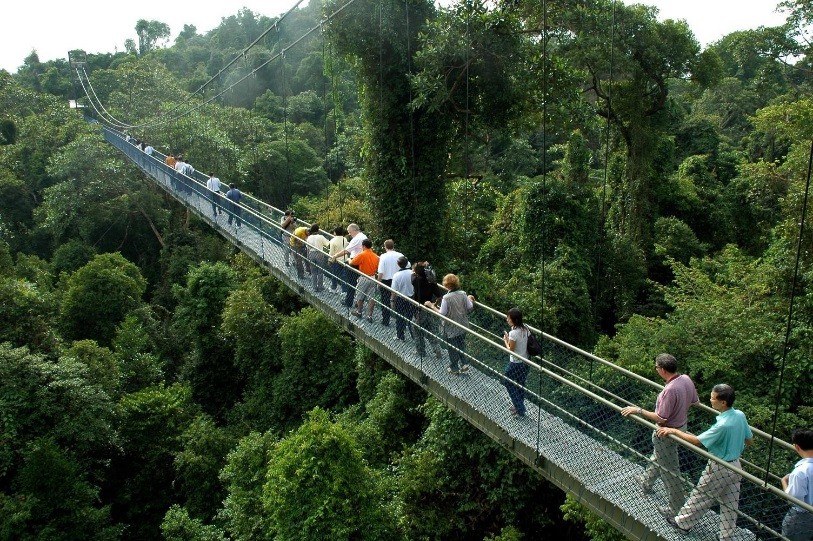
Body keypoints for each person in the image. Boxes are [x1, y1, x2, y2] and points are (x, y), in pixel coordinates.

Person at [657, 384, 753, 541]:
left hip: (719, 465)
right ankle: (725, 536)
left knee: (701, 494)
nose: (710, 400)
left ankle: (682, 523)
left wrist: (674, 430)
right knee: (730, 503)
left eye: (713, 398)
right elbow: (749, 440)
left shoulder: (722, 425)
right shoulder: (740, 415)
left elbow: (696, 441)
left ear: (723, 403)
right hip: (736, 466)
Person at [620, 353, 699, 514]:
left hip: (666, 433)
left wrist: (638, 410)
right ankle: (646, 481)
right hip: (681, 427)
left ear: (662, 370)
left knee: (670, 471)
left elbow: (660, 417)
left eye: (656, 367)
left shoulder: (669, 390)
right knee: (659, 456)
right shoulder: (685, 379)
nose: (656, 369)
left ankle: (676, 508)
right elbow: (695, 402)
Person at [425, 273, 475, 375]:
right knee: (461, 344)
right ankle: (464, 363)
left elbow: (442, 314)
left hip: (451, 327)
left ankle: (454, 368)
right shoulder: (463, 293)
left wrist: (431, 306)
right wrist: (469, 298)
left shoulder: (446, 298)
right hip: (462, 324)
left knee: (452, 348)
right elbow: (470, 307)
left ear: (446, 285)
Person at [781, 428, 813, 541]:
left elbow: (793, 500)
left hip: (801, 518)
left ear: (797, 447)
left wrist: (784, 482)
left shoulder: (800, 472)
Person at [330, 223, 367, 308]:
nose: (349, 234)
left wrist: (335, 256)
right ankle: (357, 302)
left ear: (354, 230)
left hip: (355, 263)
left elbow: (347, 250)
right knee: (358, 284)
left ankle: (349, 302)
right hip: (361, 262)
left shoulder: (357, 238)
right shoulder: (363, 236)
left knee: (351, 283)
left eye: (349, 232)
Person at [502, 307, 530, 417]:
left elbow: (511, 350)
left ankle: (520, 407)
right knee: (520, 384)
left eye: (509, 318)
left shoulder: (513, 333)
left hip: (515, 363)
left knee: (507, 381)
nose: (507, 319)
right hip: (526, 361)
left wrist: (505, 340)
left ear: (514, 320)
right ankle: (519, 406)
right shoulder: (526, 328)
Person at [412, 262, 442, 358]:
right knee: (430, 330)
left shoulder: (415, 280)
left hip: (419, 310)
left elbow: (412, 274)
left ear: (416, 272)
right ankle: (436, 348)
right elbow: (439, 296)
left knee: (417, 330)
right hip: (429, 309)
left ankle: (421, 352)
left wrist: (420, 267)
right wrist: (434, 304)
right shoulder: (431, 282)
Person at [376, 239, 405, 327]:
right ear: (393, 246)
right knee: (399, 301)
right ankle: (400, 323)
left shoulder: (383, 256)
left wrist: (378, 282)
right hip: (399, 280)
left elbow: (381, 272)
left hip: (386, 281)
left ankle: (386, 321)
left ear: (385, 247)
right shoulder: (400, 255)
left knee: (385, 301)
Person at [349, 239, 379, 321]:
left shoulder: (362, 254)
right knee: (371, 297)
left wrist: (349, 260)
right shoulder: (376, 256)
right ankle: (370, 316)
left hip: (364, 277)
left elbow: (352, 263)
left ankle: (359, 312)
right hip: (373, 278)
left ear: (364, 246)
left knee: (360, 295)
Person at [390, 256, 414, 341]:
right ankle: (413, 336)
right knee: (411, 318)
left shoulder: (397, 275)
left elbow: (394, 290)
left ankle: (400, 336)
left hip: (400, 299)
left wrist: (392, 301)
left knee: (399, 317)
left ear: (398, 264)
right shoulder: (412, 273)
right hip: (412, 299)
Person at [306, 224, 329, 291]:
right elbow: (327, 244)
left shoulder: (309, 237)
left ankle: (314, 287)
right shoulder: (321, 237)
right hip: (319, 254)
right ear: (318, 230)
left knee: (313, 271)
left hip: (311, 253)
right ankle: (320, 287)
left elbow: (308, 248)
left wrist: (308, 256)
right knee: (320, 271)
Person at [328, 226, 349, 292]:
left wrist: (330, 260)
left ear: (335, 232)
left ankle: (333, 288)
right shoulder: (344, 239)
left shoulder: (333, 240)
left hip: (336, 260)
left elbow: (331, 252)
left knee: (335, 274)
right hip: (345, 260)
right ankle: (344, 291)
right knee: (344, 276)